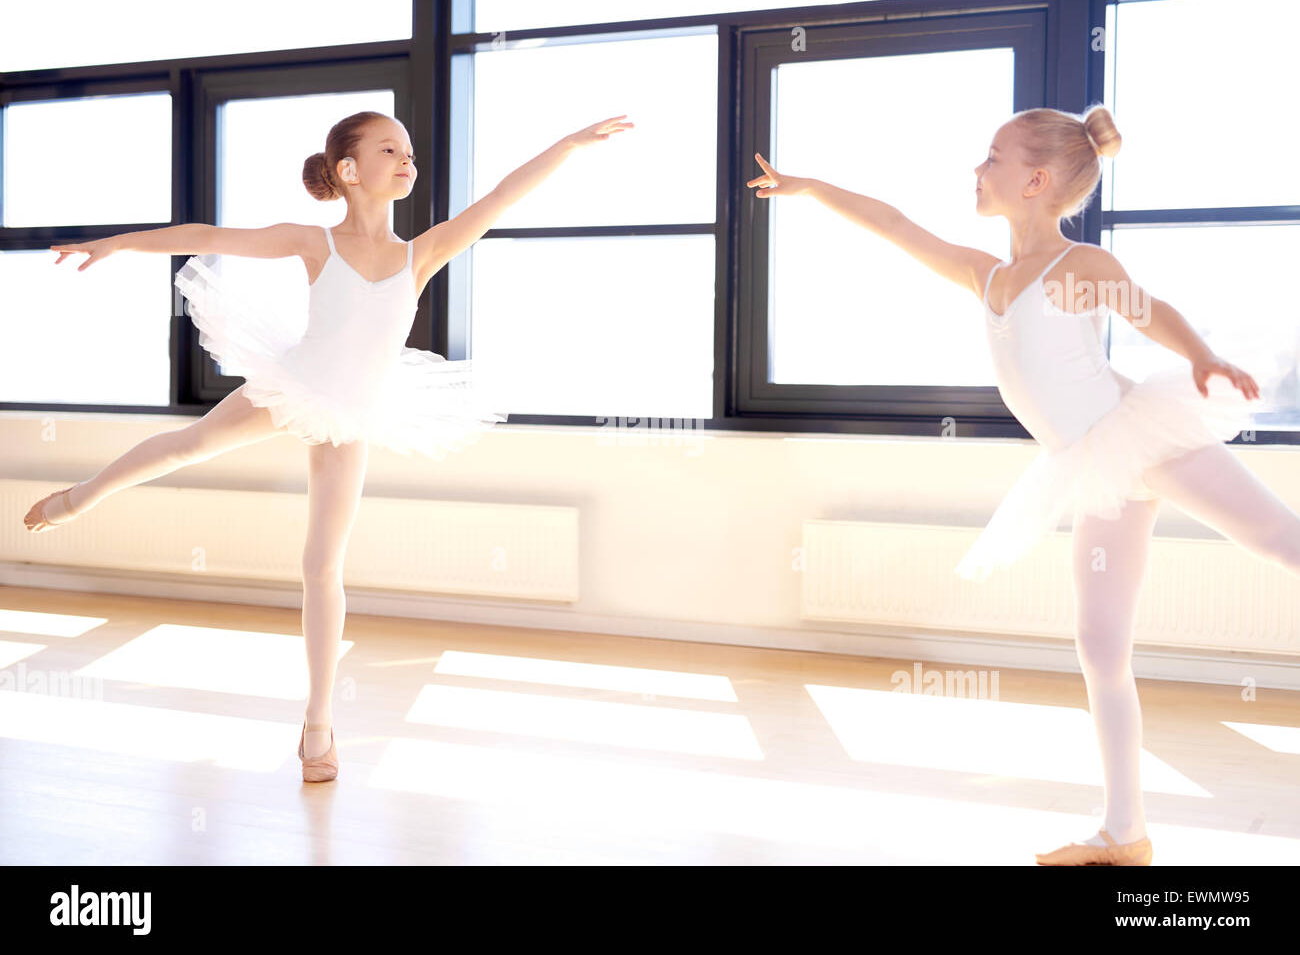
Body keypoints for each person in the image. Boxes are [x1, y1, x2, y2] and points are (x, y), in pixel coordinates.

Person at [748, 104, 1300, 865]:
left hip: (1140, 431)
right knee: (1101, 646)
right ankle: (1124, 831)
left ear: (1036, 181)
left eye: (993, 157)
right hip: (1095, 464)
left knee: (1281, 540)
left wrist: (1202, 357)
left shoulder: (1078, 268)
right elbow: (897, 225)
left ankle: (1122, 827)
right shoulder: (989, 275)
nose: (978, 168)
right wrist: (811, 187)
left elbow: (1150, 310)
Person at [25, 110, 634, 782]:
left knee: (322, 565)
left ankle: (319, 724)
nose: (408, 159)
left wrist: (570, 144)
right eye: (390, 150)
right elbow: (209, 235)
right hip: (296, 384)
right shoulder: (314, 242)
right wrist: (117, 244)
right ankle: (78, 500)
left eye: (409, 149)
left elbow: (500, 196)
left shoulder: (420, 251)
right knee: (188, 445)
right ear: (348, 171)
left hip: (354, 413)